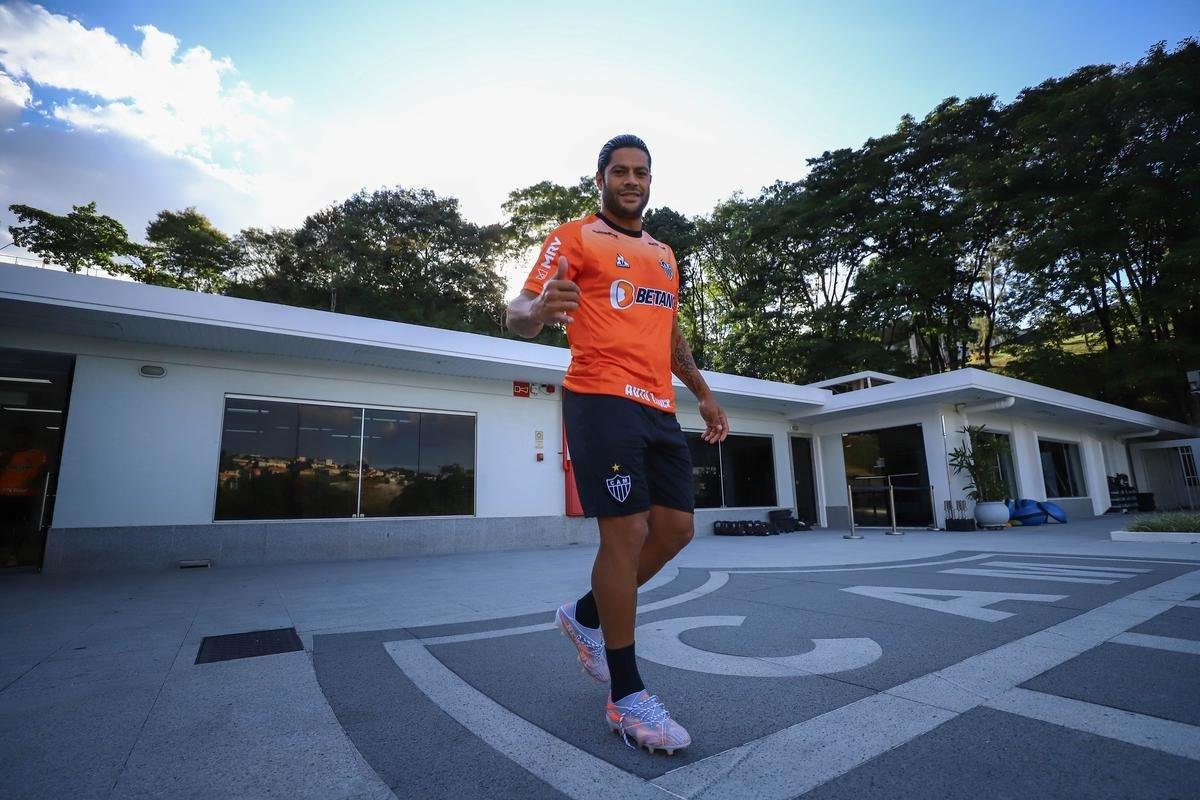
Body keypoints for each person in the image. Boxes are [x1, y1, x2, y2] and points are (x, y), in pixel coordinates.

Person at [506, 134, 728, 755]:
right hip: (601, 395)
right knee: (625, 533)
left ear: (650, 181)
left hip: (660, 406)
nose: (631, 180)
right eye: (620, 171)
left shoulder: (665, 253)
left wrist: (704, 393)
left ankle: (583, 615)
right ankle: (627, 695)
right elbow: (518, 308)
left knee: (677, 530)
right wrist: (539, 311)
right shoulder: (574, 236)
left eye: (641, 172)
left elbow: (670, 333)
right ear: (600, 178)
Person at [0, 426, 49, 566]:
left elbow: (43, 471)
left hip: (25, 495)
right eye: (17, 438)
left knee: (21, 524)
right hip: (4, 493)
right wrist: (10, 454)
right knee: (5, 524)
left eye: (22, 438)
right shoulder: (5, 454)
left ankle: (14, 553)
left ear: (28, 439)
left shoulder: (37, 454)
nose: (19, 441)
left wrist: (34, 481)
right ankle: (8, 549)